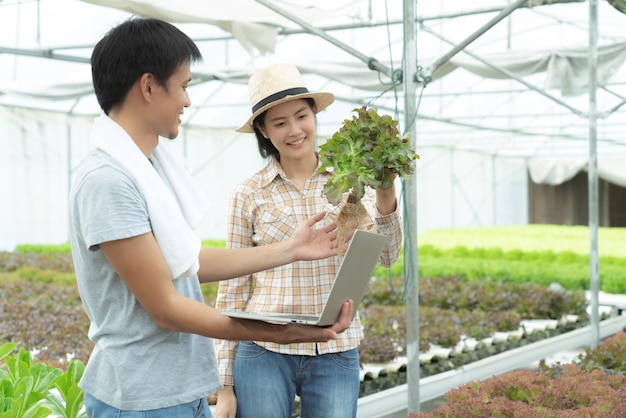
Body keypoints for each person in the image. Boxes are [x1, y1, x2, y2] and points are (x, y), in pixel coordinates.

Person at [69, 19, 354, 418]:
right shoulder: (110, 181)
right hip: (143, 398)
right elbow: (166, 307)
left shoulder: (143, 170)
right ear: (149, 86)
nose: (187, 101)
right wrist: (279, 332)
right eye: (184, 85)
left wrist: (290, 249)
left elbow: (188, 263)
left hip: (176, 392)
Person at [214, 63, 403, 418]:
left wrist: (387, 192)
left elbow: (389, 256)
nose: (295, 130)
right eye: (279, 122)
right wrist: (225, 385)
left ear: (314, 114)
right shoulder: (248, 193)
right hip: (263, 350)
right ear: (263, 130)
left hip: (335, 348)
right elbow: (232, 288)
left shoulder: (352, 180)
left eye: (302, 116)